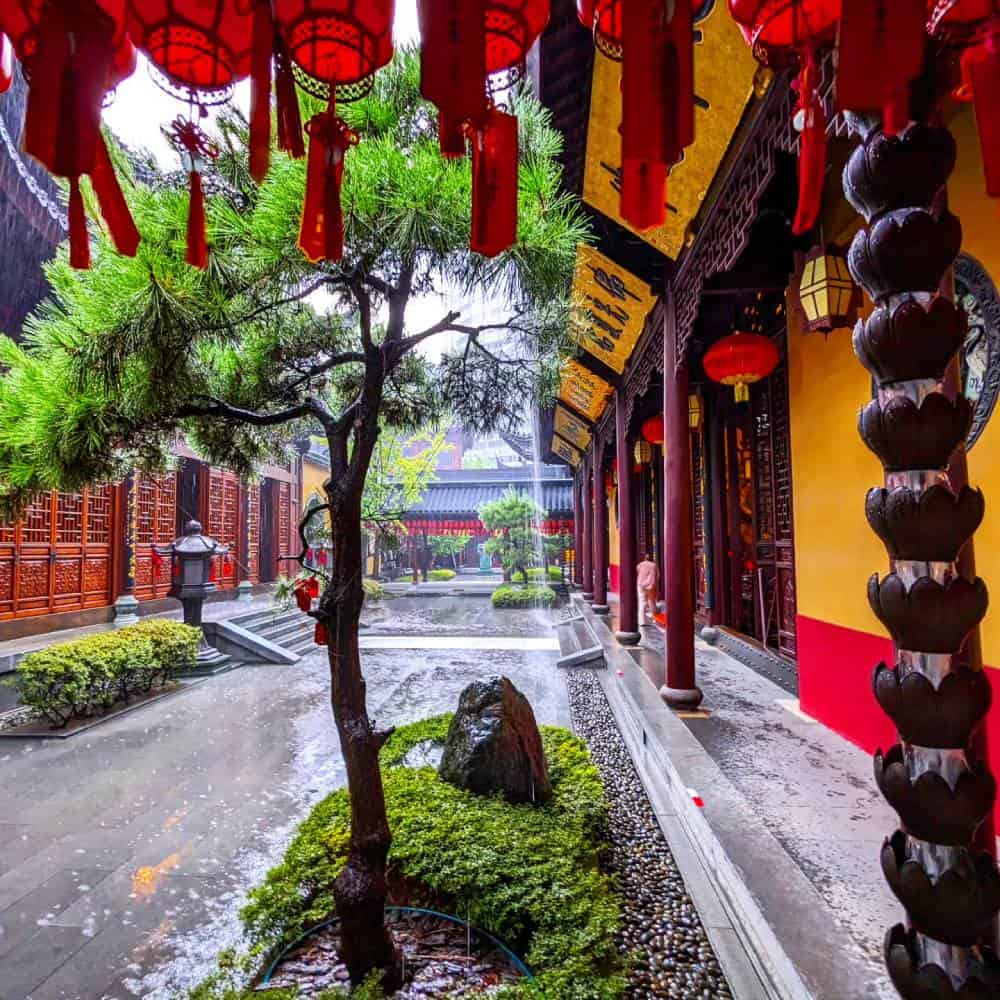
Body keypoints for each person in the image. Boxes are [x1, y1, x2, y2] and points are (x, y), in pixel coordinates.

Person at [636, 553, 658, 626]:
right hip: (650, 585)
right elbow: (656, 575)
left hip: (641, 585)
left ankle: (642, 621)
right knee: (651, 602)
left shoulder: (640, 565)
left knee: (642, 602)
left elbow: (638, 571)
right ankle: (654, 618)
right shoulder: (653, 565)